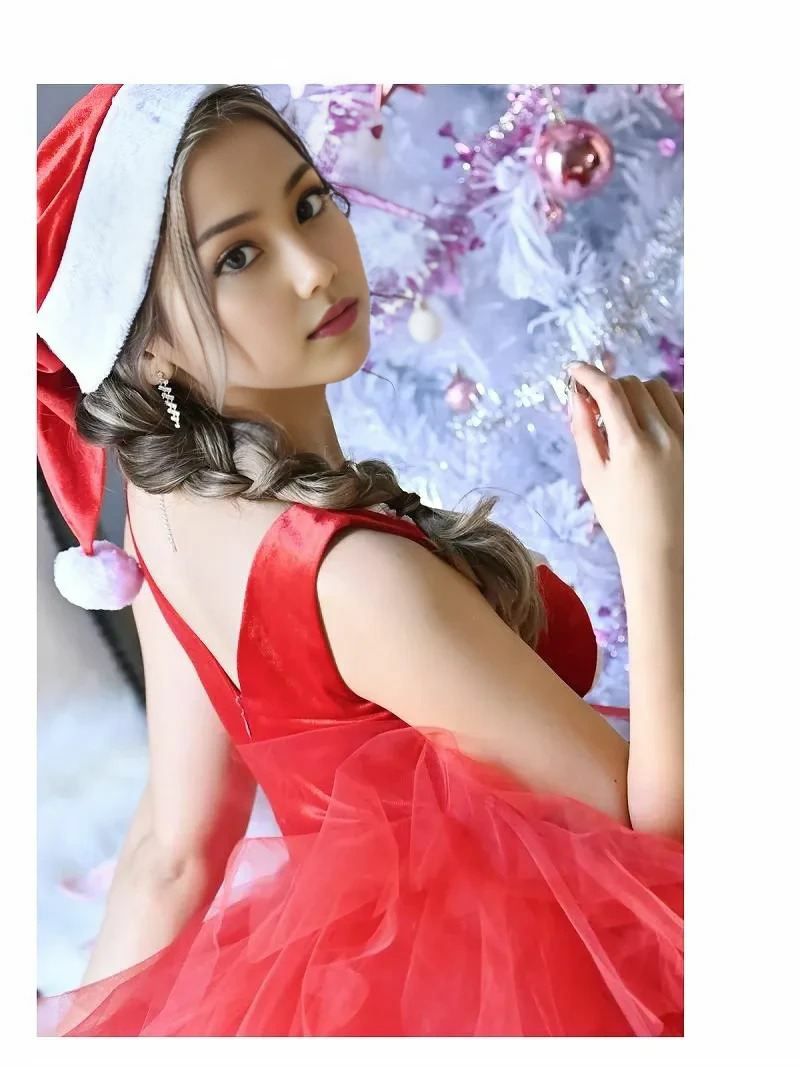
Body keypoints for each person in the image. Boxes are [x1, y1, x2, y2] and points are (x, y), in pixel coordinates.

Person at [37, 84, 683, 1037]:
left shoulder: (165, 517)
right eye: (238, 256)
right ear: (150, 345)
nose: (316, 268)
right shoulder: (357, 579)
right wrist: (661, 542)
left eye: (308, 203)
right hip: (524, 989)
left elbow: (176, 846)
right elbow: (661, 843)